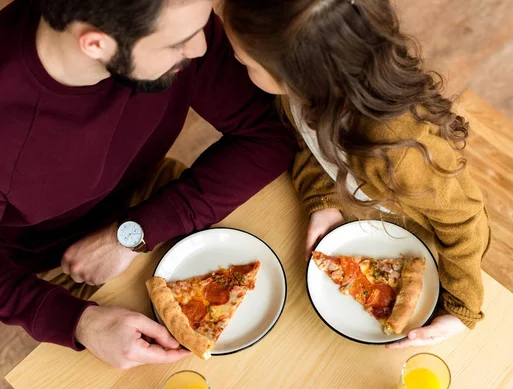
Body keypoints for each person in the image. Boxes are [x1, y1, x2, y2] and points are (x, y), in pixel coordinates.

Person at [0, 0, 295, 369]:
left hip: (155, 196)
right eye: (179, 43)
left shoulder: (176, 20)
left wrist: (133, 232)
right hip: (57, 259)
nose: (200, 48)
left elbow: (269, 135)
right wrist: (80, 323)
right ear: (96, 44)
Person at [221, 0, 491, 348]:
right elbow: (307, 143)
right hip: (358, 213)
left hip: (419, 236)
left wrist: (462, 307)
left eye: (245, 62)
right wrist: (323, 199)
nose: (238, 64)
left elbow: (463, 221)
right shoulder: (310, 89)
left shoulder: (399, 150)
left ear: (293, 74)